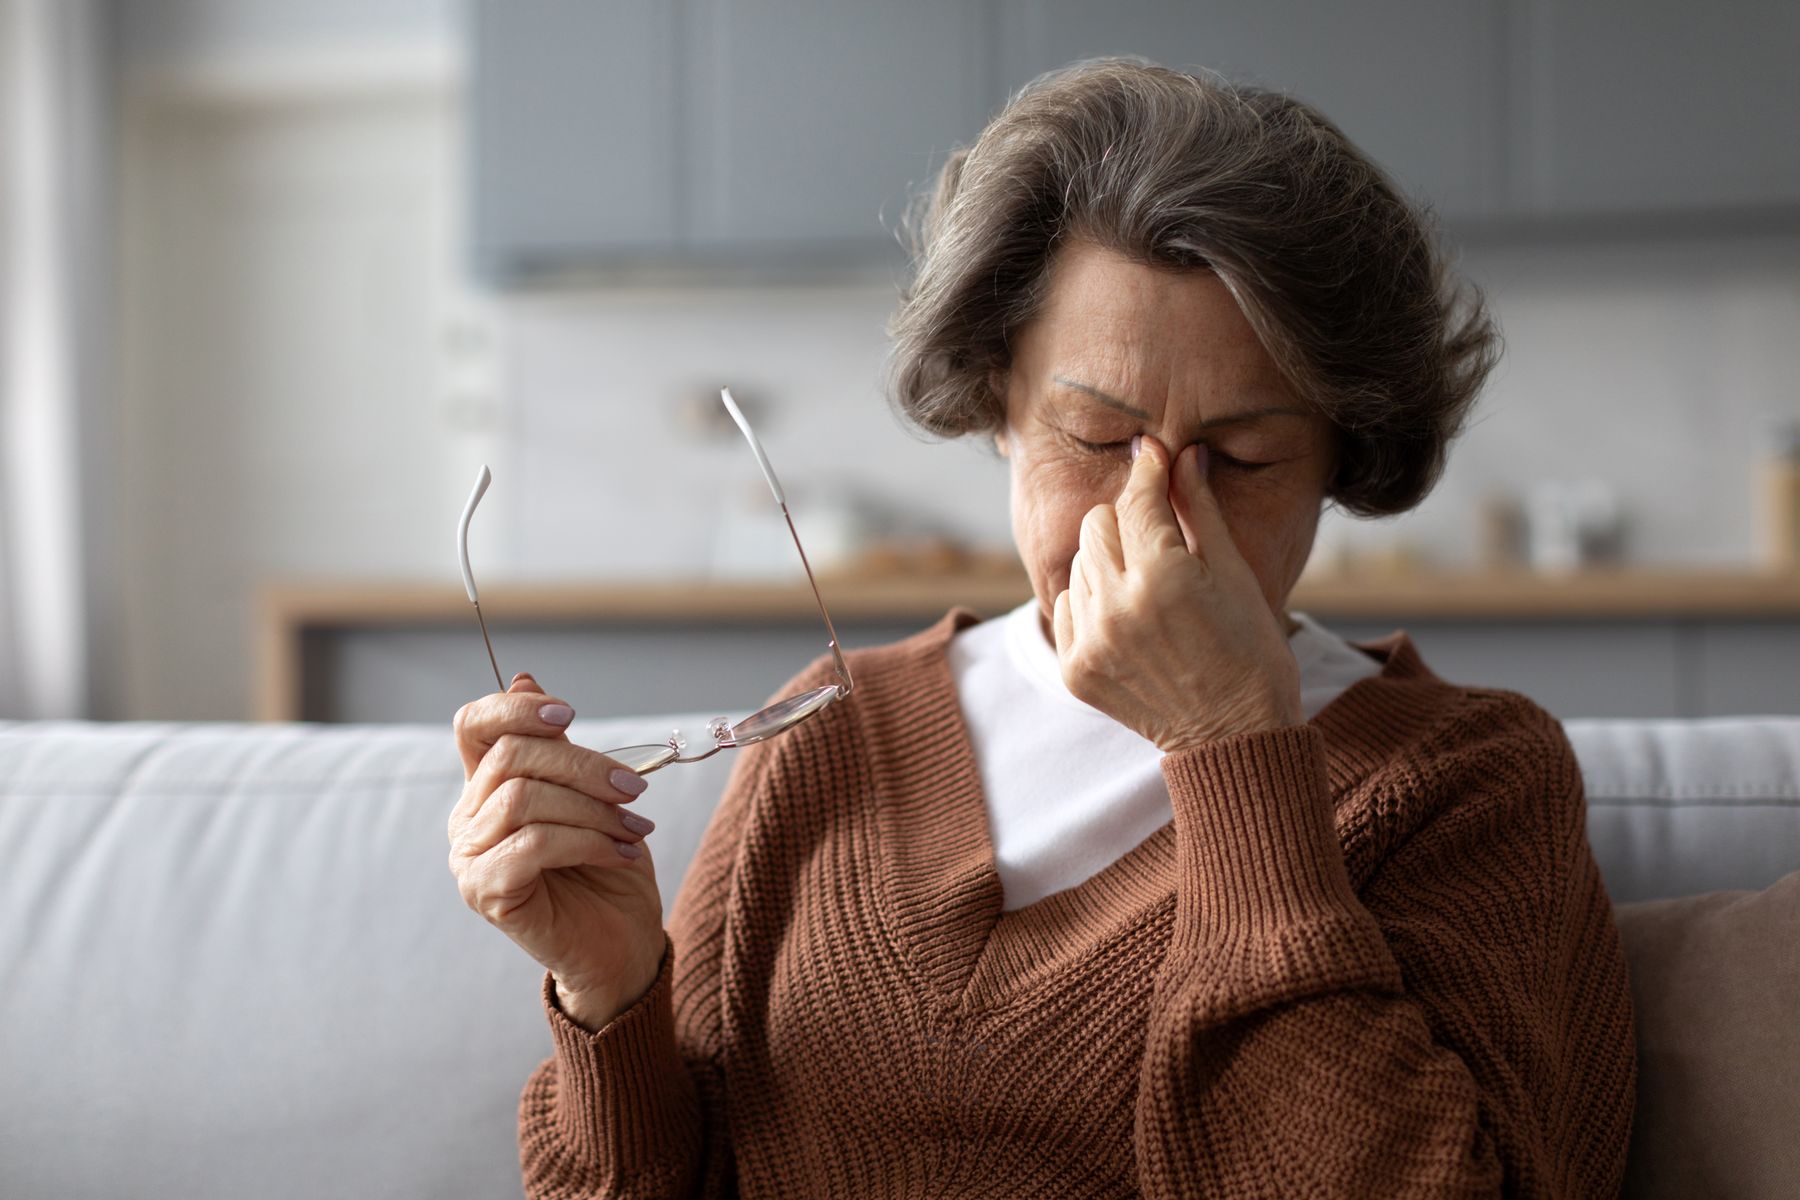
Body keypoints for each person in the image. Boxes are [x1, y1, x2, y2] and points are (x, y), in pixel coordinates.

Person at [447, 57, 1635, 1198]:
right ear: (998, 406)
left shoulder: (1467, 780)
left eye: (1245, 457)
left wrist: (1233, 749)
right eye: (1096, 438)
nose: (1155, 518)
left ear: (1341, 459)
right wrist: (611, 991)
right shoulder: (834, 735)